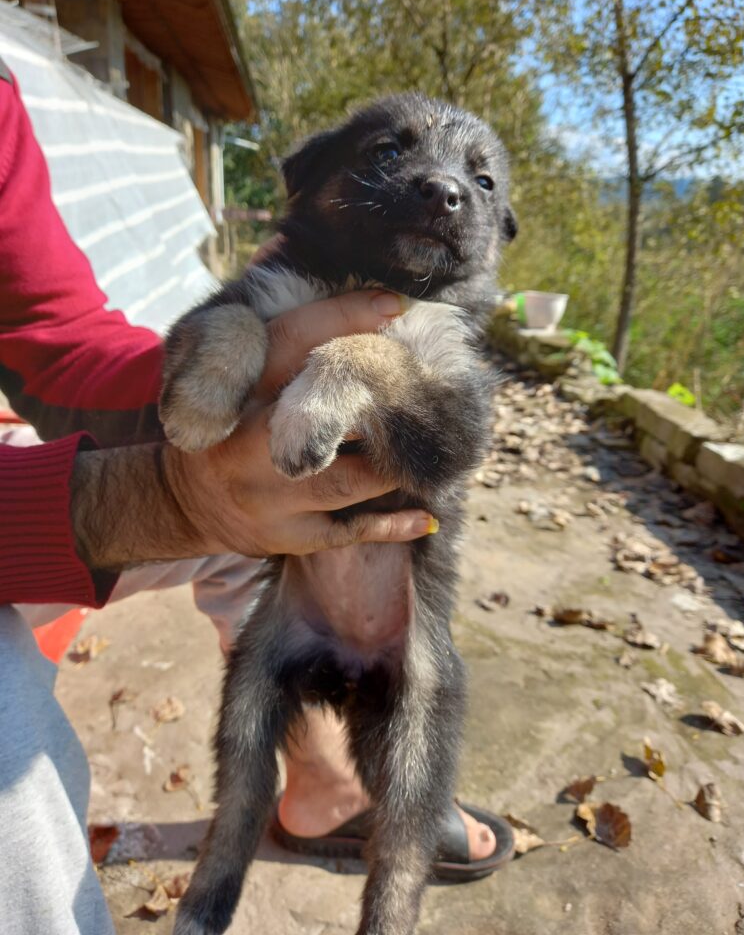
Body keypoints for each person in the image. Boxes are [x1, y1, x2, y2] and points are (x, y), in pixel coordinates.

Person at [0, 60, 510, 935]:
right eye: (391, 152)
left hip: (405, 620)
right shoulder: (279, 283)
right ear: (309, 183)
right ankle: (209, 903)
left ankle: (357, 857)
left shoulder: (443, 327)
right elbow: (220, 336)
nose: (441, 185)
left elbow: (52, 328)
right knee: (218, 765)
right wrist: (209, 390)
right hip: (286, 605)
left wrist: (364, 361)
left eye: (481, 182)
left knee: (408, 810)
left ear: (499, 229)